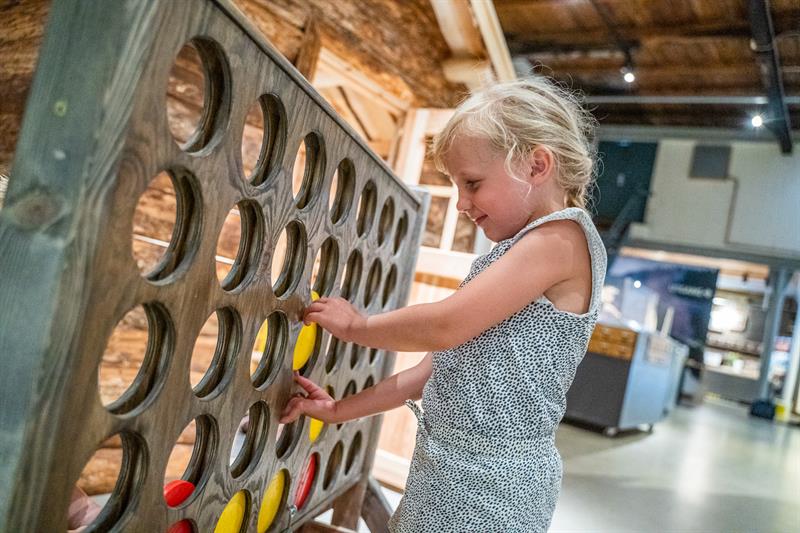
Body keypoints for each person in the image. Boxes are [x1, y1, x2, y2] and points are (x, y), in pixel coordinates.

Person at [281, 77, 607, 532]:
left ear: (537, 165)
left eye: (472, 183)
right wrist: (339, 411)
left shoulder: (561, 239)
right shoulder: (522, 249)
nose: (461, 204)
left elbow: (446, 325)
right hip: (450, 468)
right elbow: (435, 368)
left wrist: (359, 326)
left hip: (494, 486)